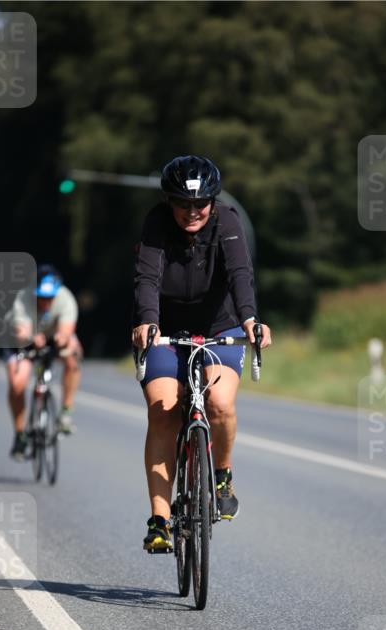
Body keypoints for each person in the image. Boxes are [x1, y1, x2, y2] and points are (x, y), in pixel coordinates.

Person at [132, 155, 271, 553]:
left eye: (200, 204)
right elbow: (146, 278)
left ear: (212, 201)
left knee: (220, 403)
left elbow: (241, 274)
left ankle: (222, 475)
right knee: (163, 410)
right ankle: (159, 520)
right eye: (182, 204)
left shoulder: (227, 221)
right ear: (169, 201)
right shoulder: (156, 223)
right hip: (163, 330)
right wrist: (147, 321)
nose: (191, 212)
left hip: (219, 327)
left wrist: (250, 321)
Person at [5, 264, 83, 460]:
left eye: (50, 297)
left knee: (73, 355)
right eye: (42, 296)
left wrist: (62, 339)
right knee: (17, 384)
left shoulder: (65, 299)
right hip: (21, 341)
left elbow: (67, 330)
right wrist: (32, 338)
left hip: (50, 338)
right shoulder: (23, 298)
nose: (46, 301)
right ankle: (20, 434)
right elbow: (22, 333)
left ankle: (65, 412)